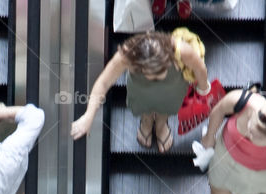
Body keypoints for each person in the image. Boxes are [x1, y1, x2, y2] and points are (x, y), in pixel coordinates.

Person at [71, 30, 210, 154]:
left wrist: (203, 90)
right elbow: (103, 82)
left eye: (161, 72)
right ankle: (146, 122)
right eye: (152, 75)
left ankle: (161, 124)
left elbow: (200, 69)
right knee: (144, 107)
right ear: (139, 66)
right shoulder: (127, 55)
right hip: (141, 90)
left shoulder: (181, 51)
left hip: (173, 88)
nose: (156, 79)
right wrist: (88, 116)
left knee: (166, 107)